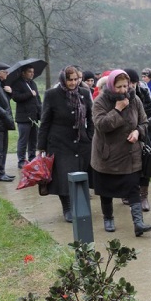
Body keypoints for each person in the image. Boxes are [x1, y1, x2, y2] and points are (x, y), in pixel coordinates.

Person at [91, 69, 151, 236]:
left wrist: (138, 132)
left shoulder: (135, 99)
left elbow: (144, 121)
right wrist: (117, 110)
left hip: (130, 155)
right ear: (111, 85)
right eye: (119, 87)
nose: (123, 90)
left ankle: (138, 223)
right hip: (107, 155)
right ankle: (108, 218)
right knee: (106, 190)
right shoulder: (100, 102)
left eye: (125, 86)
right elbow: (101, 125)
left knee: (133, 188)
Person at [37, 66, 94, 222]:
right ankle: (67, 207)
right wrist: (41, 147)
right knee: (63, 175)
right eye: (70, 80)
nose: (73, 83)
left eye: (76, 79)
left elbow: (91, 116)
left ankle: (80, 205)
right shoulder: (52, 95)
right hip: (59, 142)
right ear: (63, 79)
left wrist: (89, 136)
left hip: (81, 142)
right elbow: (45, 121)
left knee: (81, 172)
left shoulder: (84, 93)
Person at [125, 68, 151, 211]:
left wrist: (140, 127)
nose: (130, 85)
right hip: (125, 134)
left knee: (146, 163)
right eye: (128, 82)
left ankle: (144, 196)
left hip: (144, 132)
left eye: (133, 82)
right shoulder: (118, 92)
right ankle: (127, 192)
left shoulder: (143, 91)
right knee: (127, 165)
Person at [11, 64, 42, 169]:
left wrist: (40, 113)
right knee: (23, 140)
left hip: (33, 117)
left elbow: (37, 99)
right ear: (23, 73)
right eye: (29, 72)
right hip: (23, 117)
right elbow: (16, 97)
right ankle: (21, 160)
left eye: (33, 72)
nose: (32, 74)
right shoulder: (17, 84)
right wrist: (29, 94)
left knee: (33, 139)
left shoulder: (33, 83)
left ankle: (32, 158)